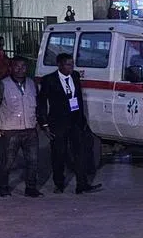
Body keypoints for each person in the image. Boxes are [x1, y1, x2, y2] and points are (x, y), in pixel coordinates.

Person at [37, 53, 101, 194]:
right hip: (58, 123)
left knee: (80, 153)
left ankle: (82, 184)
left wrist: (82, 121)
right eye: (67, 65)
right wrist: (44, 124)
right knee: (59, 154)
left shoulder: (75, 76)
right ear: (59, 65)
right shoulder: (49, 80)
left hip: (75, 122)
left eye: (72, 64)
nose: (71, 67)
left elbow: (78, 99)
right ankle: (59, 183)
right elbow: (41, 103)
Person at [0, 56, 41, 198]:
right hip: (10, 130)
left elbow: (37, 104)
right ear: (10, 68)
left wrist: (38, 122)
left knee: (33, 160)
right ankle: (3, 187)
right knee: (7, 161)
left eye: (23, 66)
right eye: (17, 66)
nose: (20, 69)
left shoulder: (32, 84)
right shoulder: (3, 85)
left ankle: (31, 188)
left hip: (30, 129)